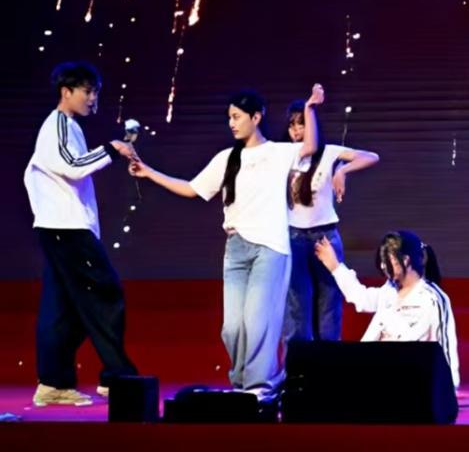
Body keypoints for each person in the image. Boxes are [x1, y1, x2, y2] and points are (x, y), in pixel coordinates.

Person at [129, 85, 323, 402]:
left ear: (256, 117)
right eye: (229, 117)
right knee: (232, 327)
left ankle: (262, 384)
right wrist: (148, 172)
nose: (231, 123)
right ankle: (243, 382)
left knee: (258, 321)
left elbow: (311, 146)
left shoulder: (278, 152)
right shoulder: (226, 158)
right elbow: (192, 189)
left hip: (269, 248)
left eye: (237, 117)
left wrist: (310, 108)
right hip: (236, 249)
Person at [24, 61, 139, 406]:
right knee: (106, 295)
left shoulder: (69, 126)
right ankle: (117, 377)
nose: (93, 99)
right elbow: (71, 166)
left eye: (96, 92)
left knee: (62, 308)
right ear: (66, 92)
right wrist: (112, 149)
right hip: (66, 229)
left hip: (62, 228)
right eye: (87, 91)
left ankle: (53, 383)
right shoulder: (58, 124)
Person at [283, 99, 380, 346]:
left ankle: (328, 360)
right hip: (293, 237)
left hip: (324, 235)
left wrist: (342, 170)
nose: (296, 130)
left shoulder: (329, 152)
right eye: (292, 125)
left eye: (302, 124)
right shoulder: (285, 154)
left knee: (328, 301)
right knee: (296, 302)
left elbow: (371, 157)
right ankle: (298, 362)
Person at [314, 231, 459, 388]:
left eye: (387, 260)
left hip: (409, 378)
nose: (383, 266)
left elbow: (446, 346)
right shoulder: (389, 290)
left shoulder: (433, 299)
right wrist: (335, 266)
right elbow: (361, 298)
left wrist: (447, 387)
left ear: (405, 260)